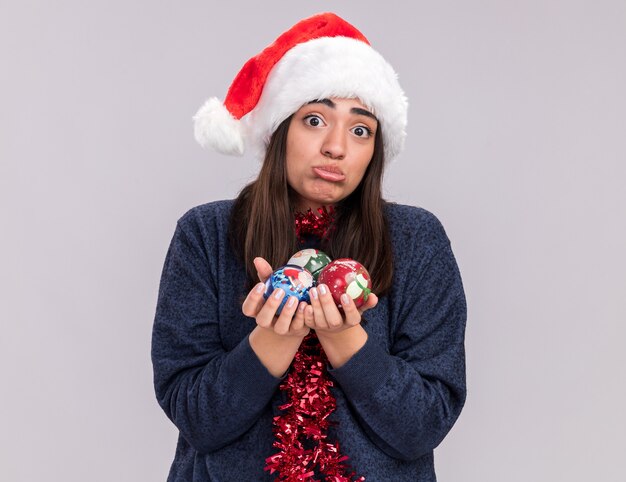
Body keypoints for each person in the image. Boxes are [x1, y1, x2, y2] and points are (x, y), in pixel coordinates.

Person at [151, 12, 467, 482]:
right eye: (315, 120)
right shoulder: (206, 234)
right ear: (279, 129)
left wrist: (344, 338)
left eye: (361, 129)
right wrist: (274, 338)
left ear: (374, 150)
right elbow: (197, 418)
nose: (336, 147)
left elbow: (423, 426)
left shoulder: (417, 240)